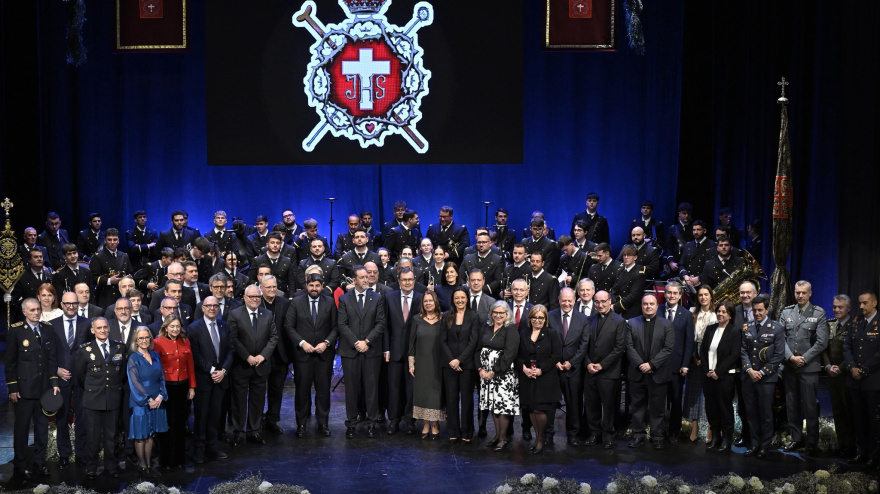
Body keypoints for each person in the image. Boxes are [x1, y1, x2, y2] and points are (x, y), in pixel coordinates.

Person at [5, 298, 60, 481]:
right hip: (24, 390)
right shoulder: (16, 331)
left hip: (44, 389)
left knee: (42, 429)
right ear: (24, 312)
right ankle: (20, 466)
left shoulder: (47, 329)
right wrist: (12, 387)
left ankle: (39, 463)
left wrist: (54, 383)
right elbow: (10, 362)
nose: (36, 312)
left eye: (38, 309)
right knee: (21, 430)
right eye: (32, 310)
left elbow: (52, 358)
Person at [778, 280, 828, 455]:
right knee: (791, 405)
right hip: (790, 366)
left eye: (803, 293)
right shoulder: (787, 311)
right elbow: (780, 338)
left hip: (809, 368)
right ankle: (796, 439)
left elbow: (822, 342)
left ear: (810, 294)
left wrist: (803, 359)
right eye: (797, 292)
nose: (800, 295)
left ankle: (812, 442)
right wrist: (791, 357)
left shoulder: (818, 313)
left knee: (809, 406)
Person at [285, 274, 338, 437]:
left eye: (317, 285)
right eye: (311, 285)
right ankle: (301, 424)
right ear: (306, 285)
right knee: (301, 391)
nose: (314, 288)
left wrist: (326, 343)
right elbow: (288, 326)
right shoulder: (296, 302)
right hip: (303, 355)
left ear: (322, 286)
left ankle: (323, 424)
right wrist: (302, 343)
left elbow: (336, 327)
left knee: (323, 391)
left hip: (324, 355)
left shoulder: (329, 302)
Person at [75, 317, 128, 479]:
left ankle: (110, 466)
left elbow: (122, 373)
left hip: (112, 398)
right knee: (92, 435)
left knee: (111, 435)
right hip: (93, 398)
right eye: (99, 328)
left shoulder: (119, 347)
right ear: (93, 330)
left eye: (105, 327)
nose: (103, 330)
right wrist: (93, 389)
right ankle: (91, 467)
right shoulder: (84, 350)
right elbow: (80, 376)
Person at [338, 265, 387, 438]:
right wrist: (356, 342)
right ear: (354, 280)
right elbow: (342, 324)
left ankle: (372, 422)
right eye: (363, 277)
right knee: (351, 389)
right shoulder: (344, 299)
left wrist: (366, 342)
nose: (367, 279)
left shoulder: (377, 298)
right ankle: (351, 423)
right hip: (350, 351)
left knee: (371, 388)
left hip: (370, 350)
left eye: (367, 276)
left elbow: (381, 323)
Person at [228, 285, 278, 446]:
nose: (255, 299)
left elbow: (273, 337)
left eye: (257, 296)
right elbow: (233, 339)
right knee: (239, 400)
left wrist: (262, 356)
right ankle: (238, 431)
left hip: (261, 365)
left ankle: (254, 430)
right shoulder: (235, 314)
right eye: (252, 297)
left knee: (257, 400)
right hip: (241, 365)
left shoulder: (268, 314)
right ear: (244, 298)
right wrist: (247, 357)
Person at [48, 291, 92, 467]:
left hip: (82, 379)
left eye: (74, 303)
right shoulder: (51, 325)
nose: (71, 306)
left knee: (82, 416)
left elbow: (91, 351)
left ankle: (81, 453)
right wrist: (56, 371)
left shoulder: (87, 323)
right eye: (68, 303)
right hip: (61, 378)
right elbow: (48, 353)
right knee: (62, 416)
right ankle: (64, 453)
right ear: (62, 305)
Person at [626, 294, 675, 449]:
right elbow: (628, 346)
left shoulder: (666, 324)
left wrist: (652, 364)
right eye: (645, 304)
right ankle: (638, 435)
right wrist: (641, 364)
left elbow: (668, 348)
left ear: (656, 305)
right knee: (637, 407)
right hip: (637, 372)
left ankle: (657, 436)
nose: (648, 306)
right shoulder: (632, 323)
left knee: (657, 408)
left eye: (651, 304)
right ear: (641, 305)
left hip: (658, 373)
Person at [740, 294, 785, 459]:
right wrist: (749, 370)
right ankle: (754, 444)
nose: (757, 313)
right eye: (755, 310)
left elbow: (779, 355)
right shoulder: (747, 327)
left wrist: (762, 372)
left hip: (766, 378)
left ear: (767, 310)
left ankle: (765, 446)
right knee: (751, 413)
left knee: (766, 414)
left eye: (760, 310)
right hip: (749, 377)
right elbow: (744, 351)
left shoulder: (777, 328)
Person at [583, 290, 626, 449]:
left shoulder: (619, 321)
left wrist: (601, 365)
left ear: (610, 301)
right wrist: (588, 363)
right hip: (590, 369)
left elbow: (619, 348)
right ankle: (594, 433)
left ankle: (608, 434)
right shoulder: (589, 319)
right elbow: (584, 345)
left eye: (603, 301)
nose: (600, 305)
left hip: (609, 371)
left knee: (608, 406)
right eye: (597, 302)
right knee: (591, 404)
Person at [518, 304, 562, 454]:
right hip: (528, 377)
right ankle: (537, 437)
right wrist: (524, 368)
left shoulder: (552, 333)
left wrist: (541, 369)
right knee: (531, 409)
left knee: (540, 410)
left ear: (545, 319)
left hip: (546, 378)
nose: (538, 320)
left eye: (541, 318)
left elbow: (556, 355)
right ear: (529, 319)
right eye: (534, 317)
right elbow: (517, 355)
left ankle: (541, 439)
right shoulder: (523, 333)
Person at [476, 301, 520, 452]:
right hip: (485, 375)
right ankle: (496, 435)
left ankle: (503, 438)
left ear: (507, 314)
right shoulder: (486, 326)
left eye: (502, 313)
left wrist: (494, 371)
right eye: (496, 312)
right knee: (493, 405)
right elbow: (478, 348)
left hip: (503, 375)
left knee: (502, 407)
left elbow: (509, 354)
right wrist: (480, 368)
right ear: (491, 313)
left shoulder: (511, 329)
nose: (498, 315)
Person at [843, 292, 880, 467]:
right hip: (855, 380)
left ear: (874, 303)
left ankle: (873, 455)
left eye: (865, 303)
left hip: (872, 380)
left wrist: (863, 370)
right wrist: (852, 367)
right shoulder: (856, 322)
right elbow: (847, 346)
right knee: (857, 418)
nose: (862, 307)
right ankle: (861, 452)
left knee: (872, 419)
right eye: (860, 303)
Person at [154, 315, 196, 469]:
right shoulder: (157, 343)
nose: (175, 329)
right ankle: (165, 460)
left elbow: (190, 365)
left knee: (179, 424)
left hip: (182, 387)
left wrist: (192, 386)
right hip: (166, 388)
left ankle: (179, 459)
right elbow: (156, 368)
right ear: (166, 327)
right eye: (172, 326)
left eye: (178, 326)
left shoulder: (185, 341)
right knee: (166, 424)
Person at [700, 301, 742, 453]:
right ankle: (716, 437)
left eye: (724, 312)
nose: (720, 314)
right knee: (711, 408)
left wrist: (718, 371)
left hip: (725, 377)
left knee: (724, 408)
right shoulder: (710, 329)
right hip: (708, 376)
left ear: (730, 315)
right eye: (718, 311)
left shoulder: (735, 331)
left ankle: (726, 439)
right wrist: (707, 370)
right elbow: (703, 351)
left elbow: (734, 355)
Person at [384, 268, 422, 435]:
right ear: (399, 281)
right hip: (394, 351)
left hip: (414, 352)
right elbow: (384, 326)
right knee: (393, 387)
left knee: (411, 388)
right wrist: (386, 348)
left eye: (410, 279)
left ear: (414, 281)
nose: (407, 282)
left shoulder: (422, 299)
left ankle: (410, 420)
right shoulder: (389, 297)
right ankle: (394, 420)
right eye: (404, 279)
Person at [548, 288, 588, 446]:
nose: (566, 303)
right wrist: (555, 361)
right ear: (559, 300)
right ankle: (548, 434)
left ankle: (573, 434)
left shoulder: (583, 319)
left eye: (569, 300)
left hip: (573, 369)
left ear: (575, 300)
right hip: (553, 368)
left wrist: (572, 362)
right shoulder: (550, 316)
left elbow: (584, 345)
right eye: (563, 300)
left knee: (574, 404)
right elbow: (547, 341)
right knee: (550, 403)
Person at [440, 287, 480, 443]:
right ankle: (453, 431)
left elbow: (473, 341)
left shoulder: (473, 316)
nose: (460, 300)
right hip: (449, 364)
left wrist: (459, 360)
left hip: (467, 365)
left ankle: (467, 432)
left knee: (467, 399)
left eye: (462, 297)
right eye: (457, 298)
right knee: (451, 399)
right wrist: (452, 360)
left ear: (467, 299)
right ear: (453, 300)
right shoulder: (446, 316)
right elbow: (442, 340)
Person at [127, 328, 169, 476]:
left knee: (151, 434)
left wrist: (160, 396)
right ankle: (142, 464)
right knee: (141, 435)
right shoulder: (133, 358)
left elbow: (162, 377)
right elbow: (134, 382)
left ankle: (149, 463)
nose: (144, 340)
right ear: (136, 341)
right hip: (141, 400)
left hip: (157, 399)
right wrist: (148, 399)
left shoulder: (155, 355)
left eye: (147, 338)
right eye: (141, 338)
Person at [658, 280, 695, 443]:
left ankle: (673, 432)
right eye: (669, 293)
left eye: (675, 293)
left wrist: (685, 364)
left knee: (675, 401)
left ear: (680, 296)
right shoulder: (656, 310)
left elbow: (689, 342)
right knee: (658, 401)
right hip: (657, 366)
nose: (671, 296)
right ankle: (658, 432)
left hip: (677, 366)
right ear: (664, 294)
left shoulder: (686, 314)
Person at [821, 294, 856, 458]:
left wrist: (840, 368)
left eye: (840, 307)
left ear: (848, 308)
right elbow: (824, 349)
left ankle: (852, 446)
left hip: (847, 376)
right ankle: (842, 444)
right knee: (837, 411)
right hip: (832, 375)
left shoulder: (855, 325)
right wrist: (828, 366)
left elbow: (854, 352)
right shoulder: (830, 325)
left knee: (849, 412)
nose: (836, 310)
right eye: (835, 307)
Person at [408, 290, 446, 439]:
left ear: (435, 302)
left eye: (431, 300)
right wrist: (411, 363)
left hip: (438, 362)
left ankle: (435, 423)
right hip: (422, 362)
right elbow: (411, 344)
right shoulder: (416, 319)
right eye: (425, 301)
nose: (428, 303)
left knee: (435, 393)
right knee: (423, 392)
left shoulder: (443, 319)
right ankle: (425, 423)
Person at [685, 284, 717, 444]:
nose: (703, 297)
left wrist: (705, 359)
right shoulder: (692, 313)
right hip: (694, 354)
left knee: (709, 394)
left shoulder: (717, 313)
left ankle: (710, 427)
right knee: (693, 393)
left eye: (706, 294)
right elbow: (690, 337)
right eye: (700, 295)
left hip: (711, 355)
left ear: (711, 296)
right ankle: (694, 427)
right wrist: (694, 357)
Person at [90, 228, 135, 308]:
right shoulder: (98, 256)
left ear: (118, 241)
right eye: (109, 240)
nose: (112, 242)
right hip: (105, 296)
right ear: (105, 241)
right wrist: (109, 280)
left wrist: (128, 278)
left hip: (122, 295)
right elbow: (92, 278)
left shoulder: (124, 256)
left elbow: (130, 273)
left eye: (115, 240)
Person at [610, 245, 646, 320]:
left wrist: (616, 306)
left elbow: (633, 296)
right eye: (624, 255)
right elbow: (615, 289)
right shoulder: (620, 271)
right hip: (618, 308)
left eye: (629, 255)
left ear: (635, 257)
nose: (626, 257)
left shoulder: (639, 274)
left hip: (631, 311)